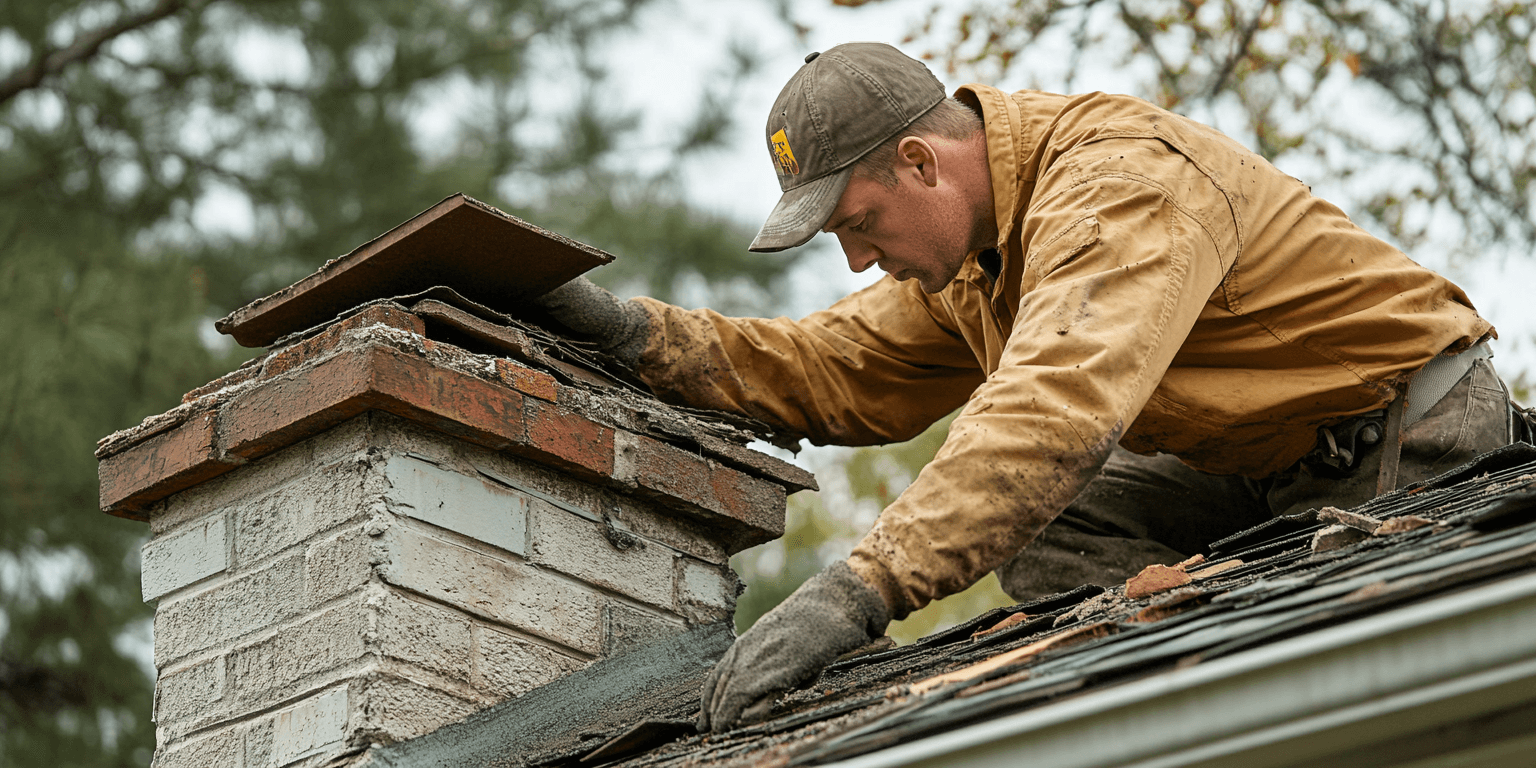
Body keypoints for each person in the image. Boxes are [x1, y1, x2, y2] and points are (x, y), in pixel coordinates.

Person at [535, 42, 1520, 731]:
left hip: (1405, 428)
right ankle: (1162, 706)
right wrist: (632, 333)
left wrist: (859, 591)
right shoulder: (974, 250)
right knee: (1054, 524)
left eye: (860, 226)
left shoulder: (1114, 186)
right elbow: (834, 365)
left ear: (921, 162)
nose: (856, 261)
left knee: (1349, 673)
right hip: (1264, 467)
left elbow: (1050, 413)